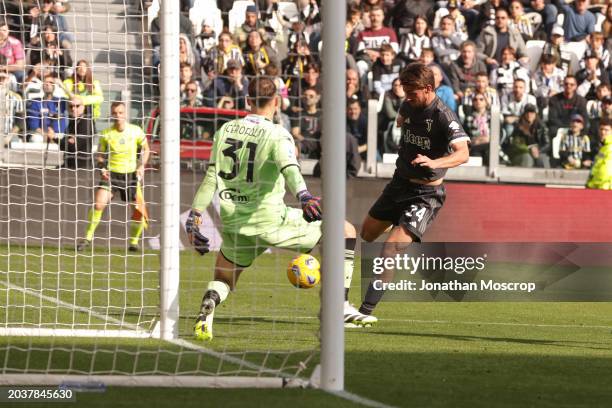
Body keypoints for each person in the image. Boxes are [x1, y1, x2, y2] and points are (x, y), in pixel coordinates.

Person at [186, 77, 371, 341]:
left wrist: (195, 215)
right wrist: (305, 196)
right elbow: (290, 168)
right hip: (271, 219)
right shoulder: (277, 133)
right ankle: (339, 306)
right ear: (276, 102)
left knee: (224, 279)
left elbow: (211, 178)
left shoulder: (225, 130)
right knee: (344, 231)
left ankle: (210, 303)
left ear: (247, 101)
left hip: (236, 222)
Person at [357, 63, 469, 319]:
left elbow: (463, 153)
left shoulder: (444, 116)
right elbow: (402, 116)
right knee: (367, 234)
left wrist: (435, 163)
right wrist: (401, 117)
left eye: (411, 92)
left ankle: (365, 312)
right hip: (399, 184)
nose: (406, 97)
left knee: (390, 248)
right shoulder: (408, 104)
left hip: (425, 195)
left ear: (428, 89)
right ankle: (399, 223)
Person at [76, 101, 150, 252]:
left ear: (125, 114)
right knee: (98, 204)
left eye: (121, 113)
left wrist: (142, 165)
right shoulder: (106, 134)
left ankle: (134, 242)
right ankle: (87, 239)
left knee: (138, 210)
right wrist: (102, 168)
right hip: (112, 174)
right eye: (115, 113)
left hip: (130, 175)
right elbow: (100, 156)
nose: (118, 116)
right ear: (111, 114)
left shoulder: (136, 131)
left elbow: (147, 149)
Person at [503, 103, 551, 168]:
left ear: (535, 114)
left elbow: (547, 144)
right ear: (524, 114)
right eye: (527, 113)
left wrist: (538, 150)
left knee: (543, 160)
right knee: (527, 159)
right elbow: (516, 144)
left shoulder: (542, 126)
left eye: (532, 113)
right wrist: (529, 149)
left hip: (538, 150)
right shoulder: (518, 125)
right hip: (522, 152)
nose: (529, 115)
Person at [61, 96, 95, 169]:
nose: (73, 109)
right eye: (71, 106)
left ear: (83, 107)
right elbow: (62, 146)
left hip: (82, 168)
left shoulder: (86, 122)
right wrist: (67, 140)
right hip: (68, 165)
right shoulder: (72, 122)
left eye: (77, 106)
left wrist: (55, 138)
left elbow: (74, 147)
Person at [586, 120, 612, 189]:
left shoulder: (610, 148)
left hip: (604, 188)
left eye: (606, 130)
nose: (603, 132)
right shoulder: (603, 147)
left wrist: (591, 185)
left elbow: (605, 172)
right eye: (601, 129)